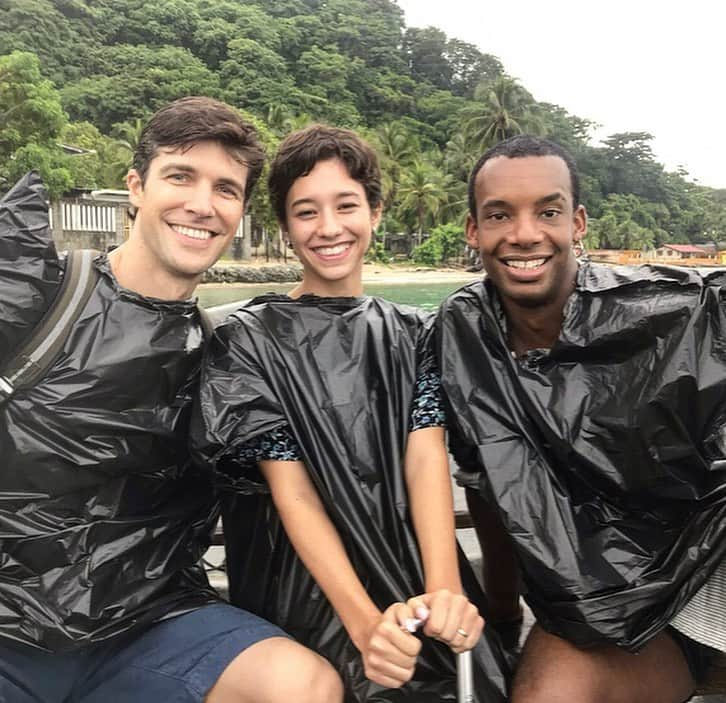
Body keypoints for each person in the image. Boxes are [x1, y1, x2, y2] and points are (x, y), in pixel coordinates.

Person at [0, 96, 342, 703]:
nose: (201, 205)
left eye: (226, 189)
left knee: (302, 686)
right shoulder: (40, 292)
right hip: (8, 631)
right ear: (136, 186)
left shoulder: (225, 352)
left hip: (150, 627)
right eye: (180, 176)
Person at [192, 125, 510, 702]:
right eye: (306, 212)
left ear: (375, 212)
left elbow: (425, 456)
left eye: (346, 205)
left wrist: (443, 590)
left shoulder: (415, 330)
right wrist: (364, 624)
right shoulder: (246, 338)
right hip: (302, 583)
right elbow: (293, 493)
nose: (329, 228)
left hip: (411, 564)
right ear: (287, 229)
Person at [436, 134, 726, 703]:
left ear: (578, 222)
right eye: (500, 214)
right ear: (474, 230)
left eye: (548, 211)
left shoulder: (669, 309)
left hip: (708, 580)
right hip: (599, 613)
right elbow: (489, 486)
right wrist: (499, 618)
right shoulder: (460, 334)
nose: (524, 234)